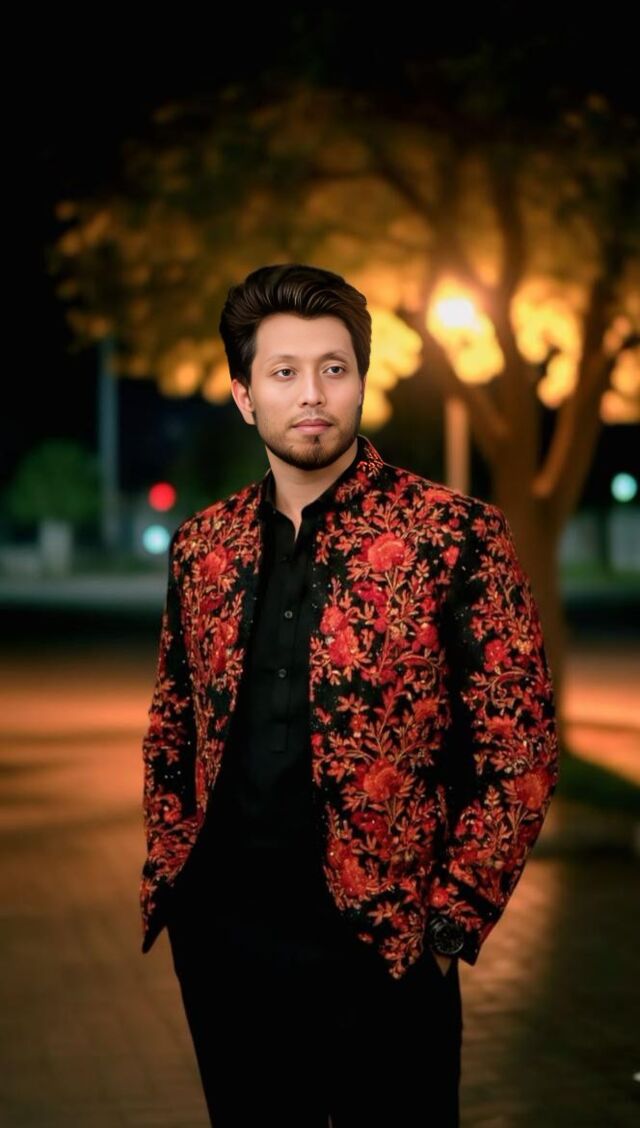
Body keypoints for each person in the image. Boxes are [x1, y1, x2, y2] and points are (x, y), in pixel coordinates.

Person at [139, 263, 560, 1127]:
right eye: (283, 371)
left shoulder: (454, 536)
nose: (312, 393)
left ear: (361, 381)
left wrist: (448, 924)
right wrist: (178, 875)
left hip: (387, 945)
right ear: (244, 395)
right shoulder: (202, 548)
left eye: (333, 368)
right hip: (226, 941)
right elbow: (172, 725)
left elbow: (520, 750)